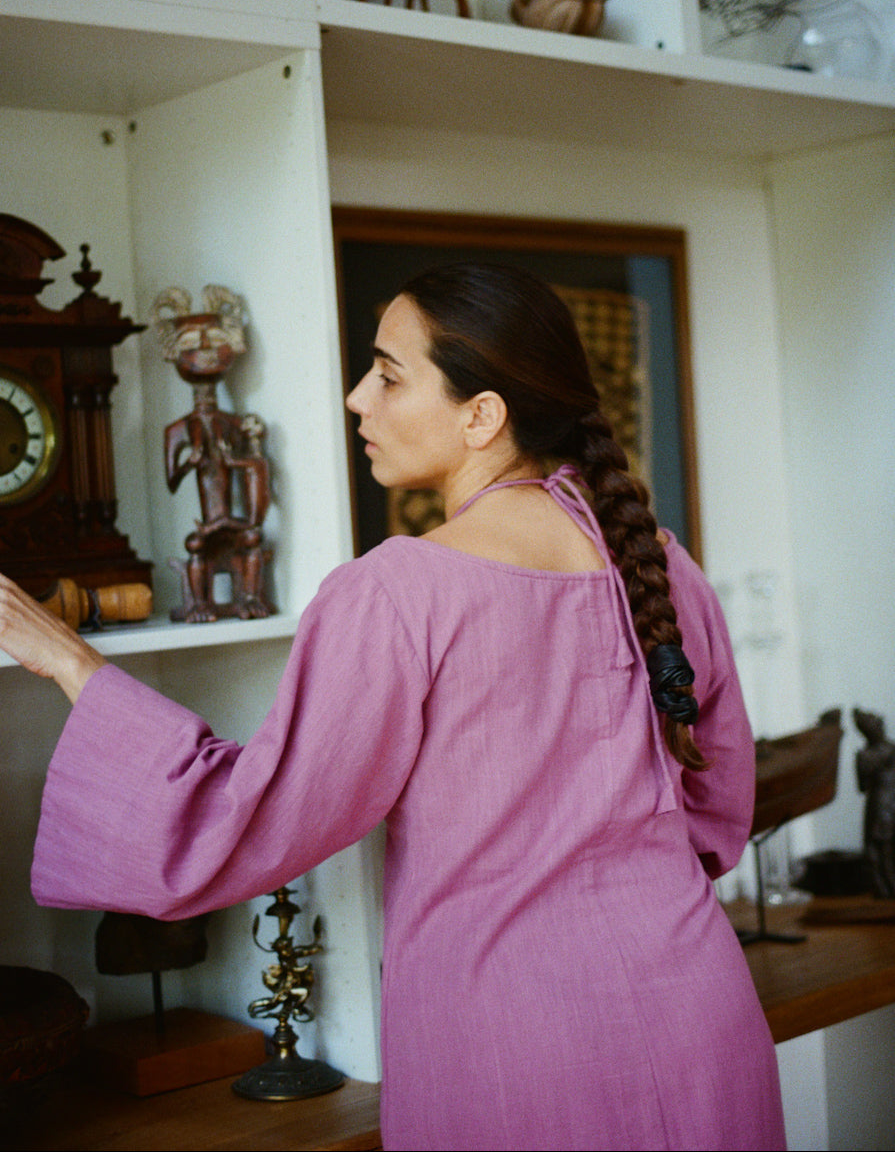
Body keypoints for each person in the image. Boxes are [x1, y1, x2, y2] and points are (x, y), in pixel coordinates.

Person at [0, 263, 785, 1151]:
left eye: (387, 373)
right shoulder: (663, 568)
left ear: (481, 414)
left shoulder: (397, 591)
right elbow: (718, 816)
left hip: (512, 1052)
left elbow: (251, 815)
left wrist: (72, 664)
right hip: (698, 1015)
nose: (354, 397)